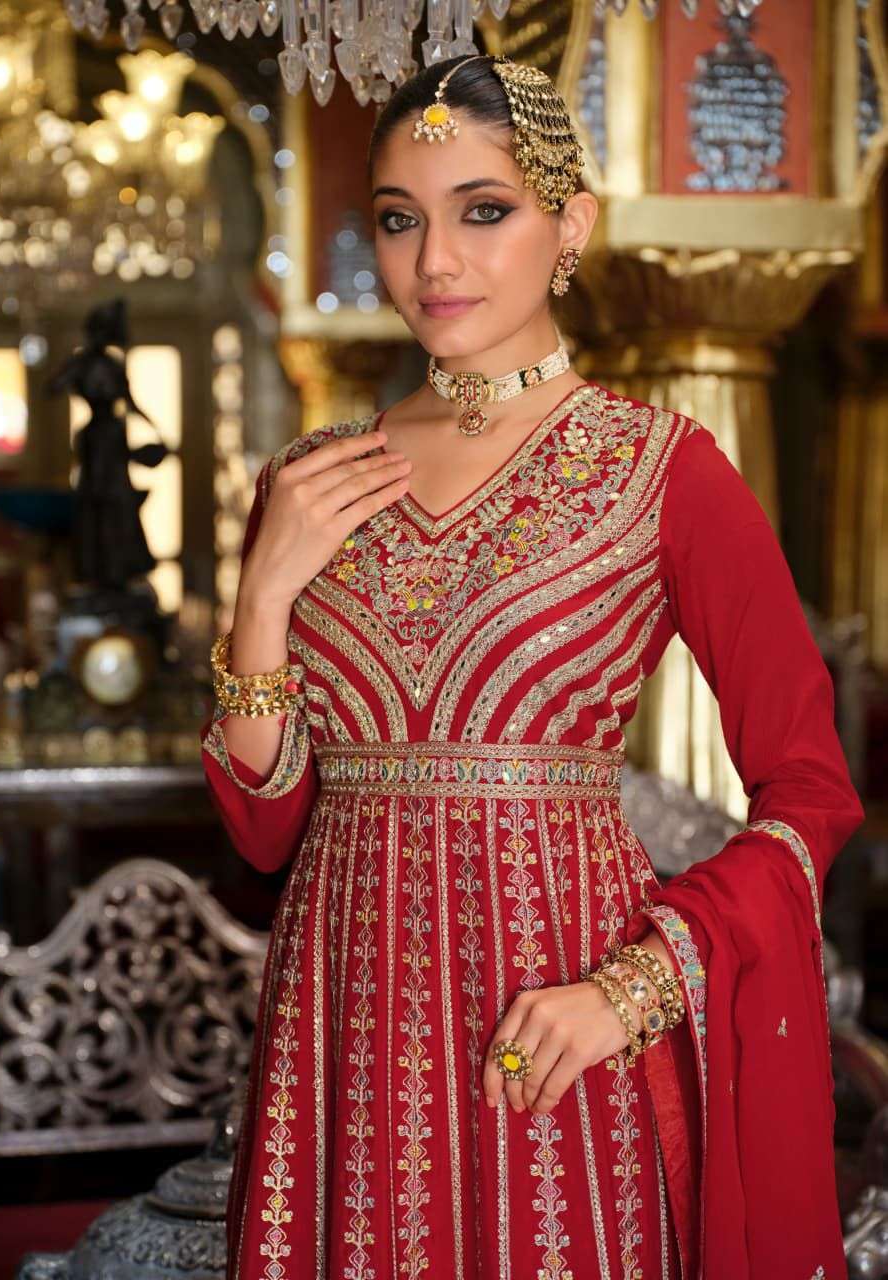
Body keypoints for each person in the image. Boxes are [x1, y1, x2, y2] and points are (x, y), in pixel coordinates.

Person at [200, 53, 865, 1280]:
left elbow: (810, 790)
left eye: (483, 210)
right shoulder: (309, 482)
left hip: (553, 1031)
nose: (435, 261)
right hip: (341, 1041)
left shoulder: (662, 471)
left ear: (572, 226)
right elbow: (266, 829)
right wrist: (263, 599)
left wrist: (636, 988)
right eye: (399, 218)